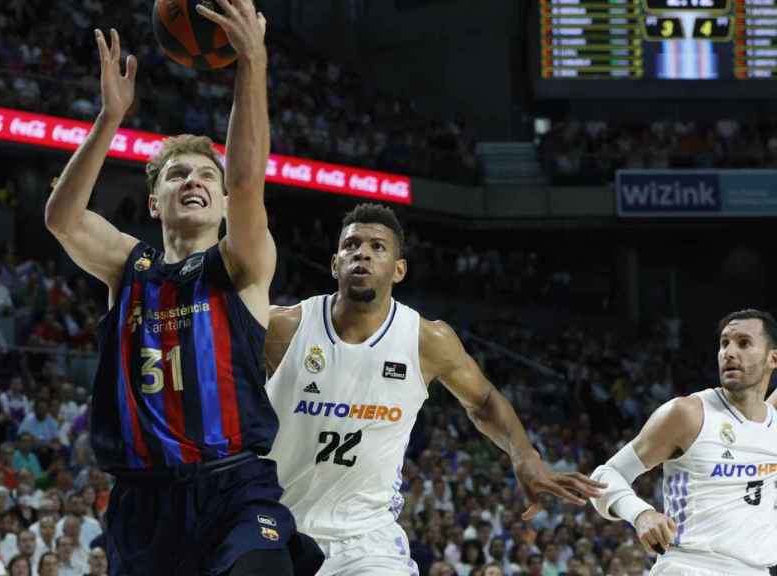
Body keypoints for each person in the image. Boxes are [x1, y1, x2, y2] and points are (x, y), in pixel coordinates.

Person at [44, 3, 320, 576]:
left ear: (222, 203)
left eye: (204, 177)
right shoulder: (129, 266)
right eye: (176, 175)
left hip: (232, 489)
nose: (192, 181)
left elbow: (248, 179)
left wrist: (253, 61)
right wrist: (110, 118)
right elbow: (63, 219)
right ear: (154, 202)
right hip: (143, 503)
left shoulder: (241, 262)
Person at [265, 204, 604, 575]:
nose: (362, 253)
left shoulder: (427, 339)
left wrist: (523, 454)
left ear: (399, 269)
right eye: (351, 245)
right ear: (334, 263)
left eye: (378, 247)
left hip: (366, 541)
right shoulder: (282, 328)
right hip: (277, 528)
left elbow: (484, 400)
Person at [591, 309, 777, 575]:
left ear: (773, 358)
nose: (729, 352)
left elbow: (754, 428)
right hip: (689, 566)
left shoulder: (772, 426)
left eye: (744, 343)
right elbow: (604, 475)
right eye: (724, 343)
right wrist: (641, 514)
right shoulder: (687, 414)